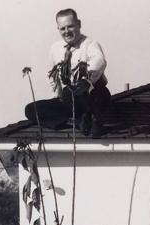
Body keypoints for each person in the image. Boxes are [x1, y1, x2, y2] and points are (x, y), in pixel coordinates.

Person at [25, 9, 110, 138]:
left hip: (90, 95)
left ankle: (92, 120)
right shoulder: (55, 48)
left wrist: (87, 80)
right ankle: (75, 122)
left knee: (95, 94)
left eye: (70, 26)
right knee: (31, 109)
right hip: (70, 99)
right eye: (62, 28)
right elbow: (53, 78)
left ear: (79, 24)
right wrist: (57, 97)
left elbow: (100, 61)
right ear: (58, 29)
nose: (67, 32)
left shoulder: (90, 44)